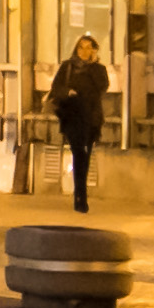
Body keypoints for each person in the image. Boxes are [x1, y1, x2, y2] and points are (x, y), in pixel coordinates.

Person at [47, 33, 111, 212]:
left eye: (89, 47)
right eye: (81, 47)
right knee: (78, 154)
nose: (84, 51)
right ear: (76, 48)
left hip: (91, 118)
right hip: (73, 117)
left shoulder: (98, 69)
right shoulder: (68, 67)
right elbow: (56, 88)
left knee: (86, 154)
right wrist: (68, 92)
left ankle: (80, 194)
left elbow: (102, 86)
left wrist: (92, 65)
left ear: (94, 50)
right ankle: (80, 197)